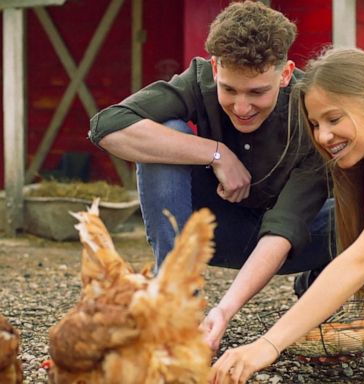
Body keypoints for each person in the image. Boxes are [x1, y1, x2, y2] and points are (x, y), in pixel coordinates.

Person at [89, 0, 334, 356]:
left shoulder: (310, 110)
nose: (242, 107)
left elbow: (286, 226)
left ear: (285, 74)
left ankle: (321, 287)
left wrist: (223, 311)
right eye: (230, 90)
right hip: (212, 231)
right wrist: (215, 152)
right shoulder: (198, 80)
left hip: (291, 239)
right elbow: (108, 126)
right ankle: (173, 294)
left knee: (360, 219)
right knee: (164, 132)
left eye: (257, 93)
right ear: (216, 68)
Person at [208, 46, 364, 384]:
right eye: (316, 124)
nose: (323, 136)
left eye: (334, 119)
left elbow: (360, 260)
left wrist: (267, 344)